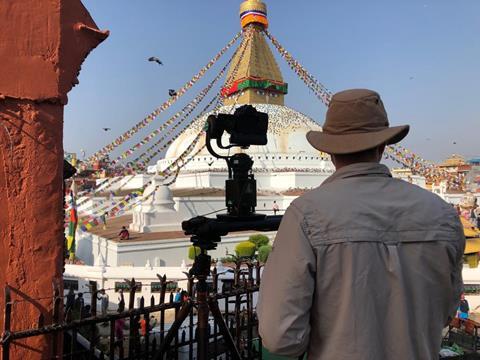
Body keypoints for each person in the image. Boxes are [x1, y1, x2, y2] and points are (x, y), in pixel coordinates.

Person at [257, 89, 465, 359]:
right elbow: (447, 313)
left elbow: (280, 337)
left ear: (329, 151)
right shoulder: (442, 213)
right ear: (382, 147)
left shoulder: (306, 214)